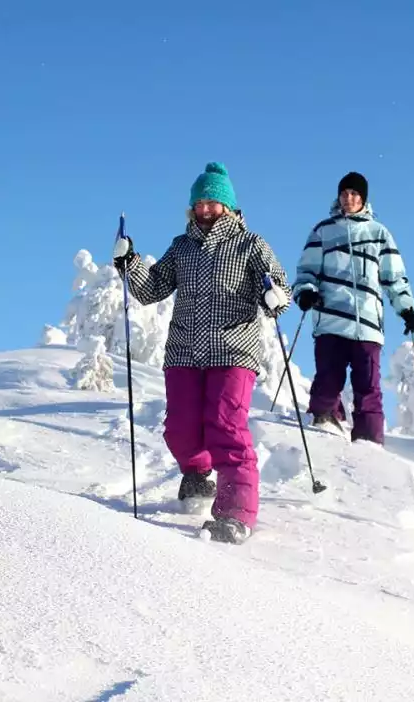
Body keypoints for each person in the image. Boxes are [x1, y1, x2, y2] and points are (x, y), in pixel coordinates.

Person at [113, 162, 291, 543]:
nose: (206, 209)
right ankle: (196, 474)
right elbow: (151, 289)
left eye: (214, 202)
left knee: (226, 427)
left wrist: (273, 295)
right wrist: (129, 264)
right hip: (184, 352)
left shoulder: (250, 244)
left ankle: (235, 513)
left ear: (228, 206)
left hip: (233, 350)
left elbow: (277, 288)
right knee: (179, 428)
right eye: (200, 202)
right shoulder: (182, 247)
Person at [290, 171, 414, 444]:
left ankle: (370, 444)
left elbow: (393, 277)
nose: (348, 199)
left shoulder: (379, 234)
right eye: (344, 193)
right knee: (328, 379)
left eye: (354, 194)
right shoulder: (323, 231)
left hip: (367, 326)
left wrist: (406, 307)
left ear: (364, 199)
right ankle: (323, 425)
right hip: (331, 320)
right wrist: (306, 293)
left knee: (368, 387)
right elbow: (306, 272)